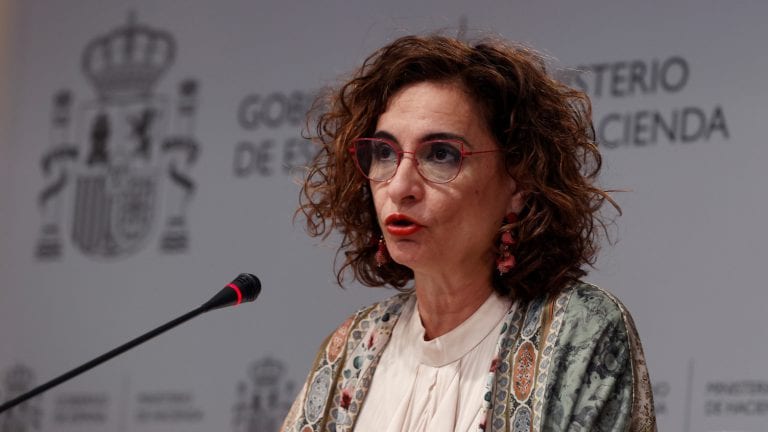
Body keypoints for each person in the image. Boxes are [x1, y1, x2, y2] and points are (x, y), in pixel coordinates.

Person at [282, 34, 656, 432]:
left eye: (440, 154)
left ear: (519, 181)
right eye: (385, 153)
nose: (400, 186)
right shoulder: (349, 350)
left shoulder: (581, 330)